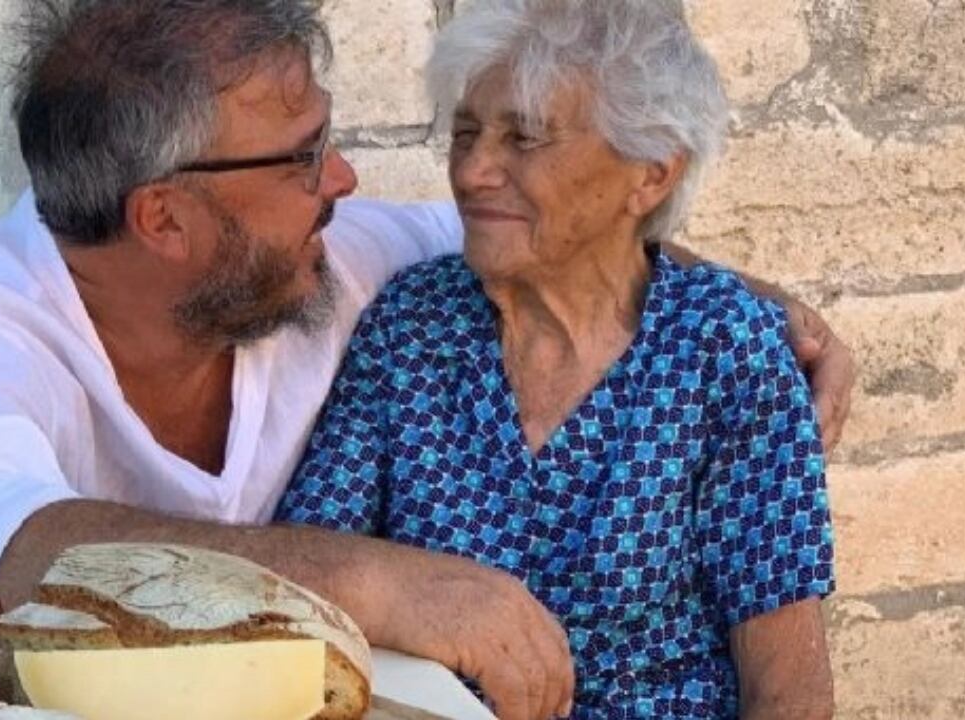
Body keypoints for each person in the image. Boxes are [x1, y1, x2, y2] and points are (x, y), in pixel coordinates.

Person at [0, 2, 851, 718]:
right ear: (162, 216)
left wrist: (757, 313)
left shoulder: (326, 258)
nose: (342, 177)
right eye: (301, 155)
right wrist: (377, 581)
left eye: (325, 139)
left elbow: (558, 235)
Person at [276, 1, 835, 718]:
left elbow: (788, 690)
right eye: (467, 132)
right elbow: (306, 577)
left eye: (526, 138)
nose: (474, 171)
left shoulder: (724, 350)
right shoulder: (413, 326)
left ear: (651, 174)